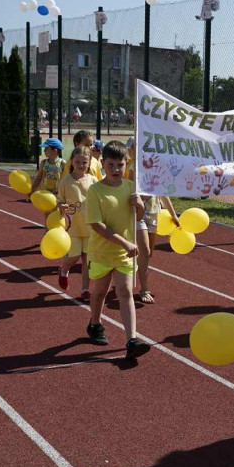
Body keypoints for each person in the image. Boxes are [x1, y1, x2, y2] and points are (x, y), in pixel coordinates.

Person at [84, 140, 148, 362]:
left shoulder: (131, 187)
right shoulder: (95, 190)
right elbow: (97, 225)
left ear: (126, 163)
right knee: (100, 292)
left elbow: (138, 217)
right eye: (110, 165)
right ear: (102, 164)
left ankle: (132, 340)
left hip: (124, 254)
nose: (116, 169)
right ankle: (94, 323)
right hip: (103, 252)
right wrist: (124, 243)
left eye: (120, 165)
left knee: (125, 292)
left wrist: (139, 206)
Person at [57, 146, 96, 300]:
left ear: (89, 162)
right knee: (74, 256)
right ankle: (64, 269)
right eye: (78, 161)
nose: (81, 165)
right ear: (72, 161)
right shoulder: (65, 181)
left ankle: (85, 289)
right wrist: (61, 206)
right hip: (73, 227)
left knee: (87, 259)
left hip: (90, 227)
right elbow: (59, 200)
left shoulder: (93, 181)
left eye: (84, 162)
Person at [135, 194, 178, 304]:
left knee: (148, 253)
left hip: (153, 214)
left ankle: (127, 273)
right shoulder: (134, 175)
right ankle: (144, 290)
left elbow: (163, 194)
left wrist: (173, 215)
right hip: (136, 214)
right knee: (145, 251)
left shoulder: (158, 176)